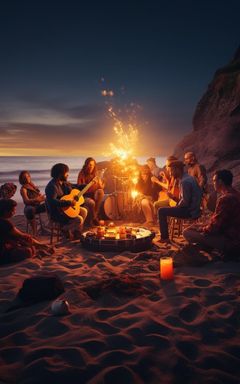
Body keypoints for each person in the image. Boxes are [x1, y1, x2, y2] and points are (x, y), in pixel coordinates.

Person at [183, 170, 240, 258]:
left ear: (220, 182)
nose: (213, 183)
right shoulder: (236, 194)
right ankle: (208, 247)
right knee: (197, 228)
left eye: (214, 180)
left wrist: (201, 229)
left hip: (230, 242)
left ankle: (213, 249)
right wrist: (203, 225)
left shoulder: (225, 199)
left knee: (187, 232)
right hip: (232, 235)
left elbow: (215, 228)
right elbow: (222, 221)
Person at [158, 160, 202, 243]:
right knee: (166, 209)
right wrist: (174, 198)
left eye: (171, 171)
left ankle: (165, 238)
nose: (170, 174)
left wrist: (176, 206)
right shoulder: (188, 178)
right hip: (194, 209)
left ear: (177, 170)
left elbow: (185, 202)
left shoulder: (184, 182)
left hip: (190, 212)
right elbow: (186, 199)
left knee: (161, 211)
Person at [0, 199, 51, 265]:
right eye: (13, 210)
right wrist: (38, 244)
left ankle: (39, 247)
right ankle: (40, 248)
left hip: (6, 247)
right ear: (6, 211)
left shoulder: (4, 221)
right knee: (28, 250)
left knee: (24, 242)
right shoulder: (5, 223)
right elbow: (22, 235)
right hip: (3, 254)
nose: (14, 212)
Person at [45, 163, 88, 239]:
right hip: (58, 213)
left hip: (66, 210)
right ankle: (64, 229)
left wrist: (88, 185)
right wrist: (69, 202)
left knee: (84, 211)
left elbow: (76, 186)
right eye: (66, 173)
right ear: (60, 174)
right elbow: (52, 201)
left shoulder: (64, 183)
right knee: (79, 219)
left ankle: (76, 232)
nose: (68, 174)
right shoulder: (52, 186)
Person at [77, 157, 104, 225]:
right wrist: (91, 183)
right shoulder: (82, 173)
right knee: (91, 202)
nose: (90, 167)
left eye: (92, 165)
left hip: (93, 194)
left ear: (94, 166)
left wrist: (100, 183)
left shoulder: (95, 174)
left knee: (100, 192)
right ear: (86, 165)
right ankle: (95, 218)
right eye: (89, 165)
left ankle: (95, 214)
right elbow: (80, 188)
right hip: (84, 195)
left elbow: (100, 188)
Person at [19, 171, 46, 236]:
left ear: (30, 177)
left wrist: (42, 198)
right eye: (24, 177)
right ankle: (35, 231)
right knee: (29, 210)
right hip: (29, 207)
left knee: (51, 203)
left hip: (37, 206)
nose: (26, 178)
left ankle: (50, 225)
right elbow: (26, 201)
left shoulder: (33, 186)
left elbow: (39, 197)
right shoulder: (23, 189)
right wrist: (36, 199)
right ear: (22, 179)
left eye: (28, 176)